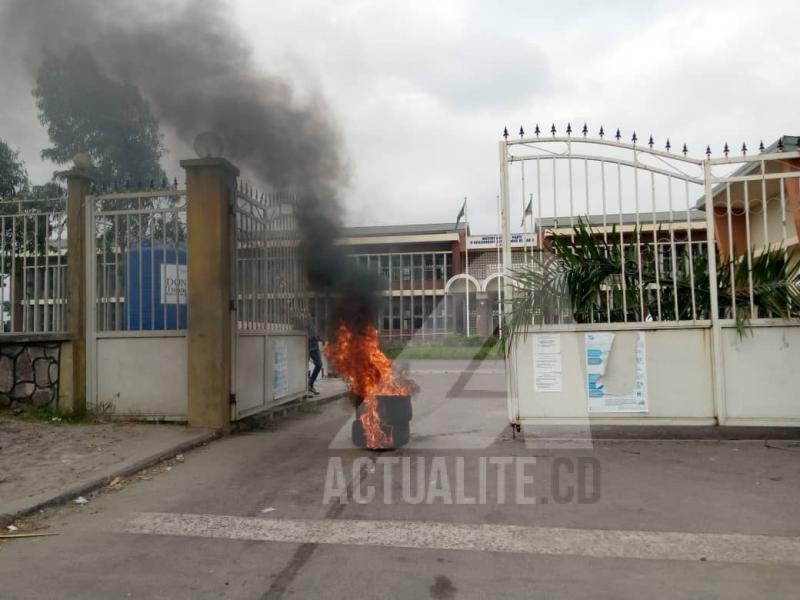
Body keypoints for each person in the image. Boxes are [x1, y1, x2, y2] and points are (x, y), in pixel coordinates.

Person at [307, 314, 323, 395]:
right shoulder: (301, 319)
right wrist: (314, 337)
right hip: (305, 346)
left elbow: (315, 333)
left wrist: (319, 337)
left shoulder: (313, 319)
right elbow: (307, 335)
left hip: (314, 347)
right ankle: (306, 387)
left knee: (319, 364)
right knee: (303, 367)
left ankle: (310, 384)